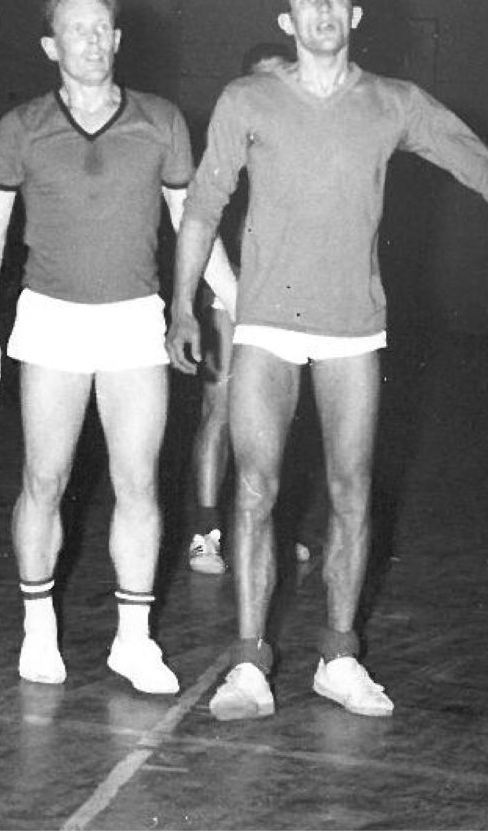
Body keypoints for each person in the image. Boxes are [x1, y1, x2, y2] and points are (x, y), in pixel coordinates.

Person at [168, 0, 488, 721]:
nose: (323, 10)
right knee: (256, 489)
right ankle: (249, 667)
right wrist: (181, 305)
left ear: (355, 16)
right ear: (287, 22)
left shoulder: (395, 103)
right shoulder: (247, 99)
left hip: (353, 328)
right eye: (307, 0)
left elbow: (481, 166)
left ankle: (339, 658)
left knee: (352, 491)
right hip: (266, 322)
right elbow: (203, 205)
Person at [0, 0, 236, 694]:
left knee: (138, 482)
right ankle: (38, 628)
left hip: (133, 321)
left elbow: (191, 224)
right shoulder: (20, 128)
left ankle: (134, 643)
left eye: (100, 29)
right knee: (44, 479)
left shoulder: (162, 120)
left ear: (117, 40)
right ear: (51, 46)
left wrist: (235, 300)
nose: (89, 40)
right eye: (74, 30)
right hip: (50, 320)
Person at [184, 41, 313, 579]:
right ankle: (205, 535)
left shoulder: (306, 146)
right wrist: (234, 297)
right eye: (262, 80)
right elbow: (202, 225)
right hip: (230, 293)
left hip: (289, 300)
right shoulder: (229, 142)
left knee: (276, 418)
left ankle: (267, 530)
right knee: (219, 410)